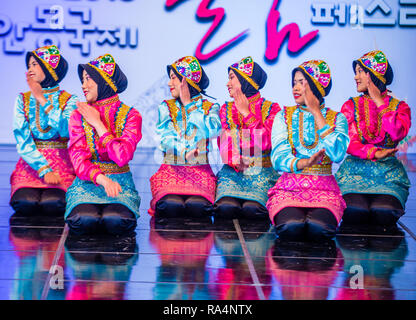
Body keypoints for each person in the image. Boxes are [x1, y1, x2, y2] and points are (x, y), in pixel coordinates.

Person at [267, 60, 349, 241]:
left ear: (316, 85)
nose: (295, 88)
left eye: (301, 82)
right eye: (294, 82)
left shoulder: (337, 118)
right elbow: (278, 158)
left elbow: (337, 154)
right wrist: (306, 163)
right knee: (291, 228)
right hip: (289, 187)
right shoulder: (284, 116)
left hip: (325, 188)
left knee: (319, 230)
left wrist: (316, 112)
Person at [65, 54, 142, 236]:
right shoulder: (78, 115)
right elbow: (78, 160)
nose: (83, 85)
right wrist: (102, 179)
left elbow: (122, 157)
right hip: (88, 182)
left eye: (88, 79)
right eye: (82, 80)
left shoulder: (131, 115)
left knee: (115, 221)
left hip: (120, 182)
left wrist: (98, 124)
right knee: (84, 220)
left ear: (104, 81)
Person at [335, 50, 411, 228]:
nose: (356, 77)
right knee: (355, 212)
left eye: (361, 71)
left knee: (383, 213)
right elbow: (349, 142)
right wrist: (374, 153)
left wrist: (379, 102)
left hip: (388, 175)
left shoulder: (400, 107)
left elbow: (397, 133)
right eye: (356, 72)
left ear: (374, 74)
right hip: (354, 173)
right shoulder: (350, 106)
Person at [149, 56, 221, 218]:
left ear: (187, 81)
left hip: (200, 172)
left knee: (197, 208)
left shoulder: (211, 107)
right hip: (171, 171)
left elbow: (210, 131)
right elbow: (165, 138)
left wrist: (189, 105)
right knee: (170, 206)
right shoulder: (166, 106)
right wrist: (184, 151)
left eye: (174, 78)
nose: (169, 83)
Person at [10, 45, 77, 218]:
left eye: (35, 64)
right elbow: (22, 140)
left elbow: (65, 131)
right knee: (25, 204)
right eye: (29, 65)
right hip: (30, 164)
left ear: (50, 68)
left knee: (53, 204)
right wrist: (44, 169)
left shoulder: (69, 100)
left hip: (61, 163)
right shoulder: (22, 99)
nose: (30, 69)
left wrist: (41, 99)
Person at [214, 56, 281, 220]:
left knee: (252, 211)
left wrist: (246, 113)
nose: (227, 83)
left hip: (262, 172)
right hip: (233, 172)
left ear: (246, 80)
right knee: (225, 209)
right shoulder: (226, 108)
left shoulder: (272, 108)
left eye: (231, 78)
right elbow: (224, 142)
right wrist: (236, 160)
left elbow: (266, 142)